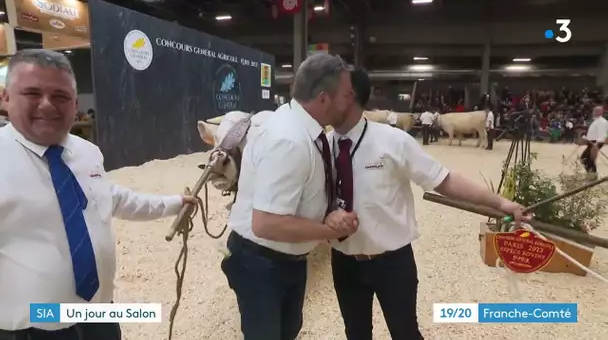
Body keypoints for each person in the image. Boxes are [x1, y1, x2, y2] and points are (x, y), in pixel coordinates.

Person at [0, 49, 196, 340]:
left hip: (99, 313)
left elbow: (111, 197)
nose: (47, 105)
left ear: (75, 103)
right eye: (32, 93)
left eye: (60, 96)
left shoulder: (86, 152)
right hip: (30, 328)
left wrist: (173, 204)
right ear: (5, 98)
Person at [327, 68, 530, 340]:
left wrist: (500, 202)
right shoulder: (321, 145)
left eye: (330, 91)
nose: (323, 97)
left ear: (349, 96)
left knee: (406, 333)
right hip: (344, 261)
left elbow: (444, 180)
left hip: (392, 263)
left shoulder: (393, 140)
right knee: (356, 334)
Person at [220, 53, 359, 340]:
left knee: (287, 331)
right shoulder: (290, 140)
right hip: (262, 262)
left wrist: (327, 212)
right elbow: (266, 224)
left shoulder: (300, 126)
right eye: (346, 94)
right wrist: (329, 230)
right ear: (324, 99)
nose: (351, 100)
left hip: (284, 259)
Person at [580, 105, 608, 178]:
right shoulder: (596, 121)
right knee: (586, 159)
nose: (593, 112)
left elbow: (602, 135)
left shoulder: (602, 121)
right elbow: (593, 133)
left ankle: (593, 176)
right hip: (592, 143)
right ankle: (592, 175)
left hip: (595, 143)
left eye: (595, 111)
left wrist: (596, 146)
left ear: (599, 112)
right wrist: (586, 139)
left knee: (587, 159)